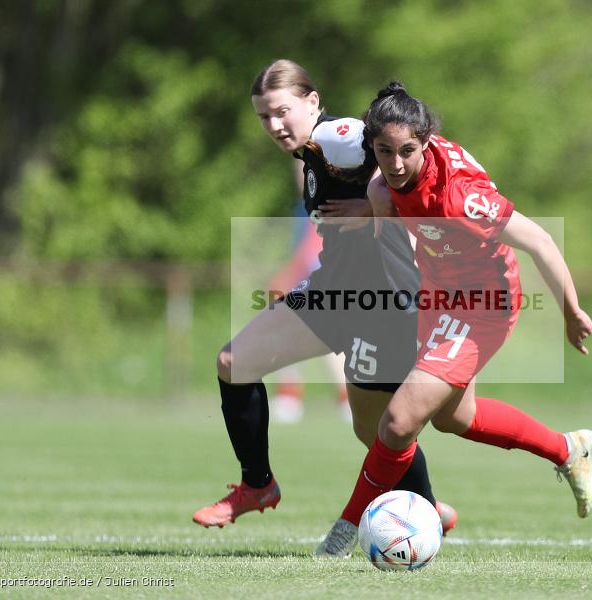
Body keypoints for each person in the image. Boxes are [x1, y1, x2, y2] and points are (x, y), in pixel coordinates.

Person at [316, 82, 592, 559]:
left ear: (426, 143)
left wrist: (571, 311)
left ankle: (343, 532)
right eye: (385, 151)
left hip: (484, 302)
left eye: (408, 150)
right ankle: (569, 450)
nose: (397, 162)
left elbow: (541, 242)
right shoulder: (382, 187)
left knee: (400, 420)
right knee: (455, 417)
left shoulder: (461, 199)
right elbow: (400, 230)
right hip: (438, 295)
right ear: (373, 148)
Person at [192, 61, 457, 533]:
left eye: (282, 111)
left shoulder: (340, 136)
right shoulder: (312, 152)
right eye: (263, 117)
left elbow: (420, 167)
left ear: (312, 102)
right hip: (333, 291)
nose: (274, 125)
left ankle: (428, 506)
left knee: (383, 426)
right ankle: (258, 485)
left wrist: (376, 207)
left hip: (381, 304)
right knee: (234, 363)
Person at [267, 201, 350, 424]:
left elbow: (313, 252)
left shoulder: (327, 200)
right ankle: (290, 393)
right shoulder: (302, 206)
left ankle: (345, 397)